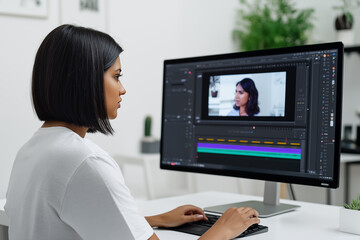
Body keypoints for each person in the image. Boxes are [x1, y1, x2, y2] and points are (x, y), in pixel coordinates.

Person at [5, 25, 260, 240]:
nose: (122, 89)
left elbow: (65, 220)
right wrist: (222, 230)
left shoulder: (31, 151)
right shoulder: (85, 162)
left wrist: (152, 219)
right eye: (116, 76)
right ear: (85, 81)